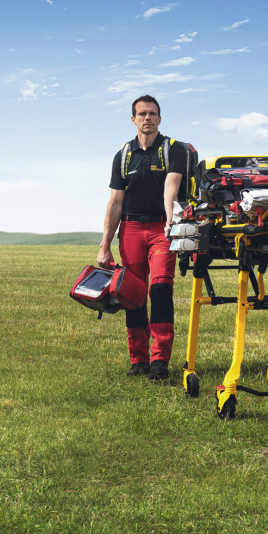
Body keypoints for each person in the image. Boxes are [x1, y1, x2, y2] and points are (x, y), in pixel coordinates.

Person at [98, 94, 194, 382]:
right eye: (142, 114)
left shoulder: (173, 149)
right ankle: (138, 359)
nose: (147, 118)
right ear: (133, 119)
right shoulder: (124, 155)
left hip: (160, 230)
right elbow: (115, 202)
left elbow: (171, 189)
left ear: (160, 118)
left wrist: (169, 222)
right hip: (130, 230)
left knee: (160, 289)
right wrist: (105, 246)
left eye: (152, 113)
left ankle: (159, 360)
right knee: (133, 294)